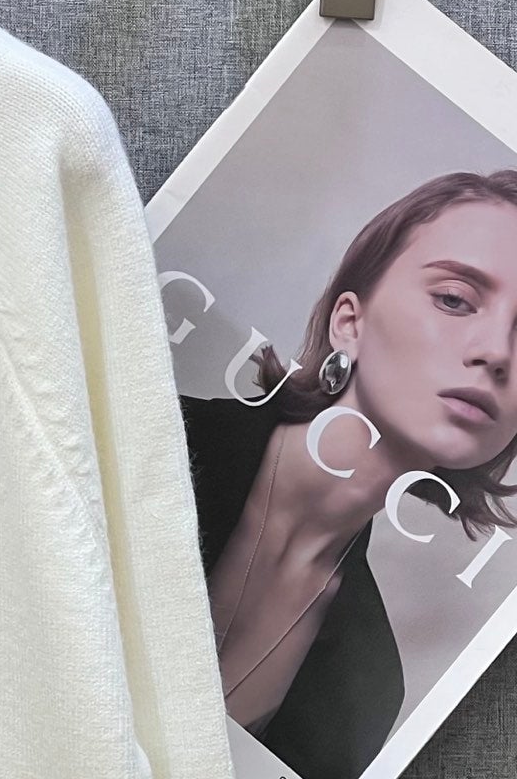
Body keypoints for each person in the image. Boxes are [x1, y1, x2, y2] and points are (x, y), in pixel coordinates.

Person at [180, 169, 517, 779]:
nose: (496, 352)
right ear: (350, 323)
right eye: (454, 299)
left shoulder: (370, 685)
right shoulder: (157, 435)